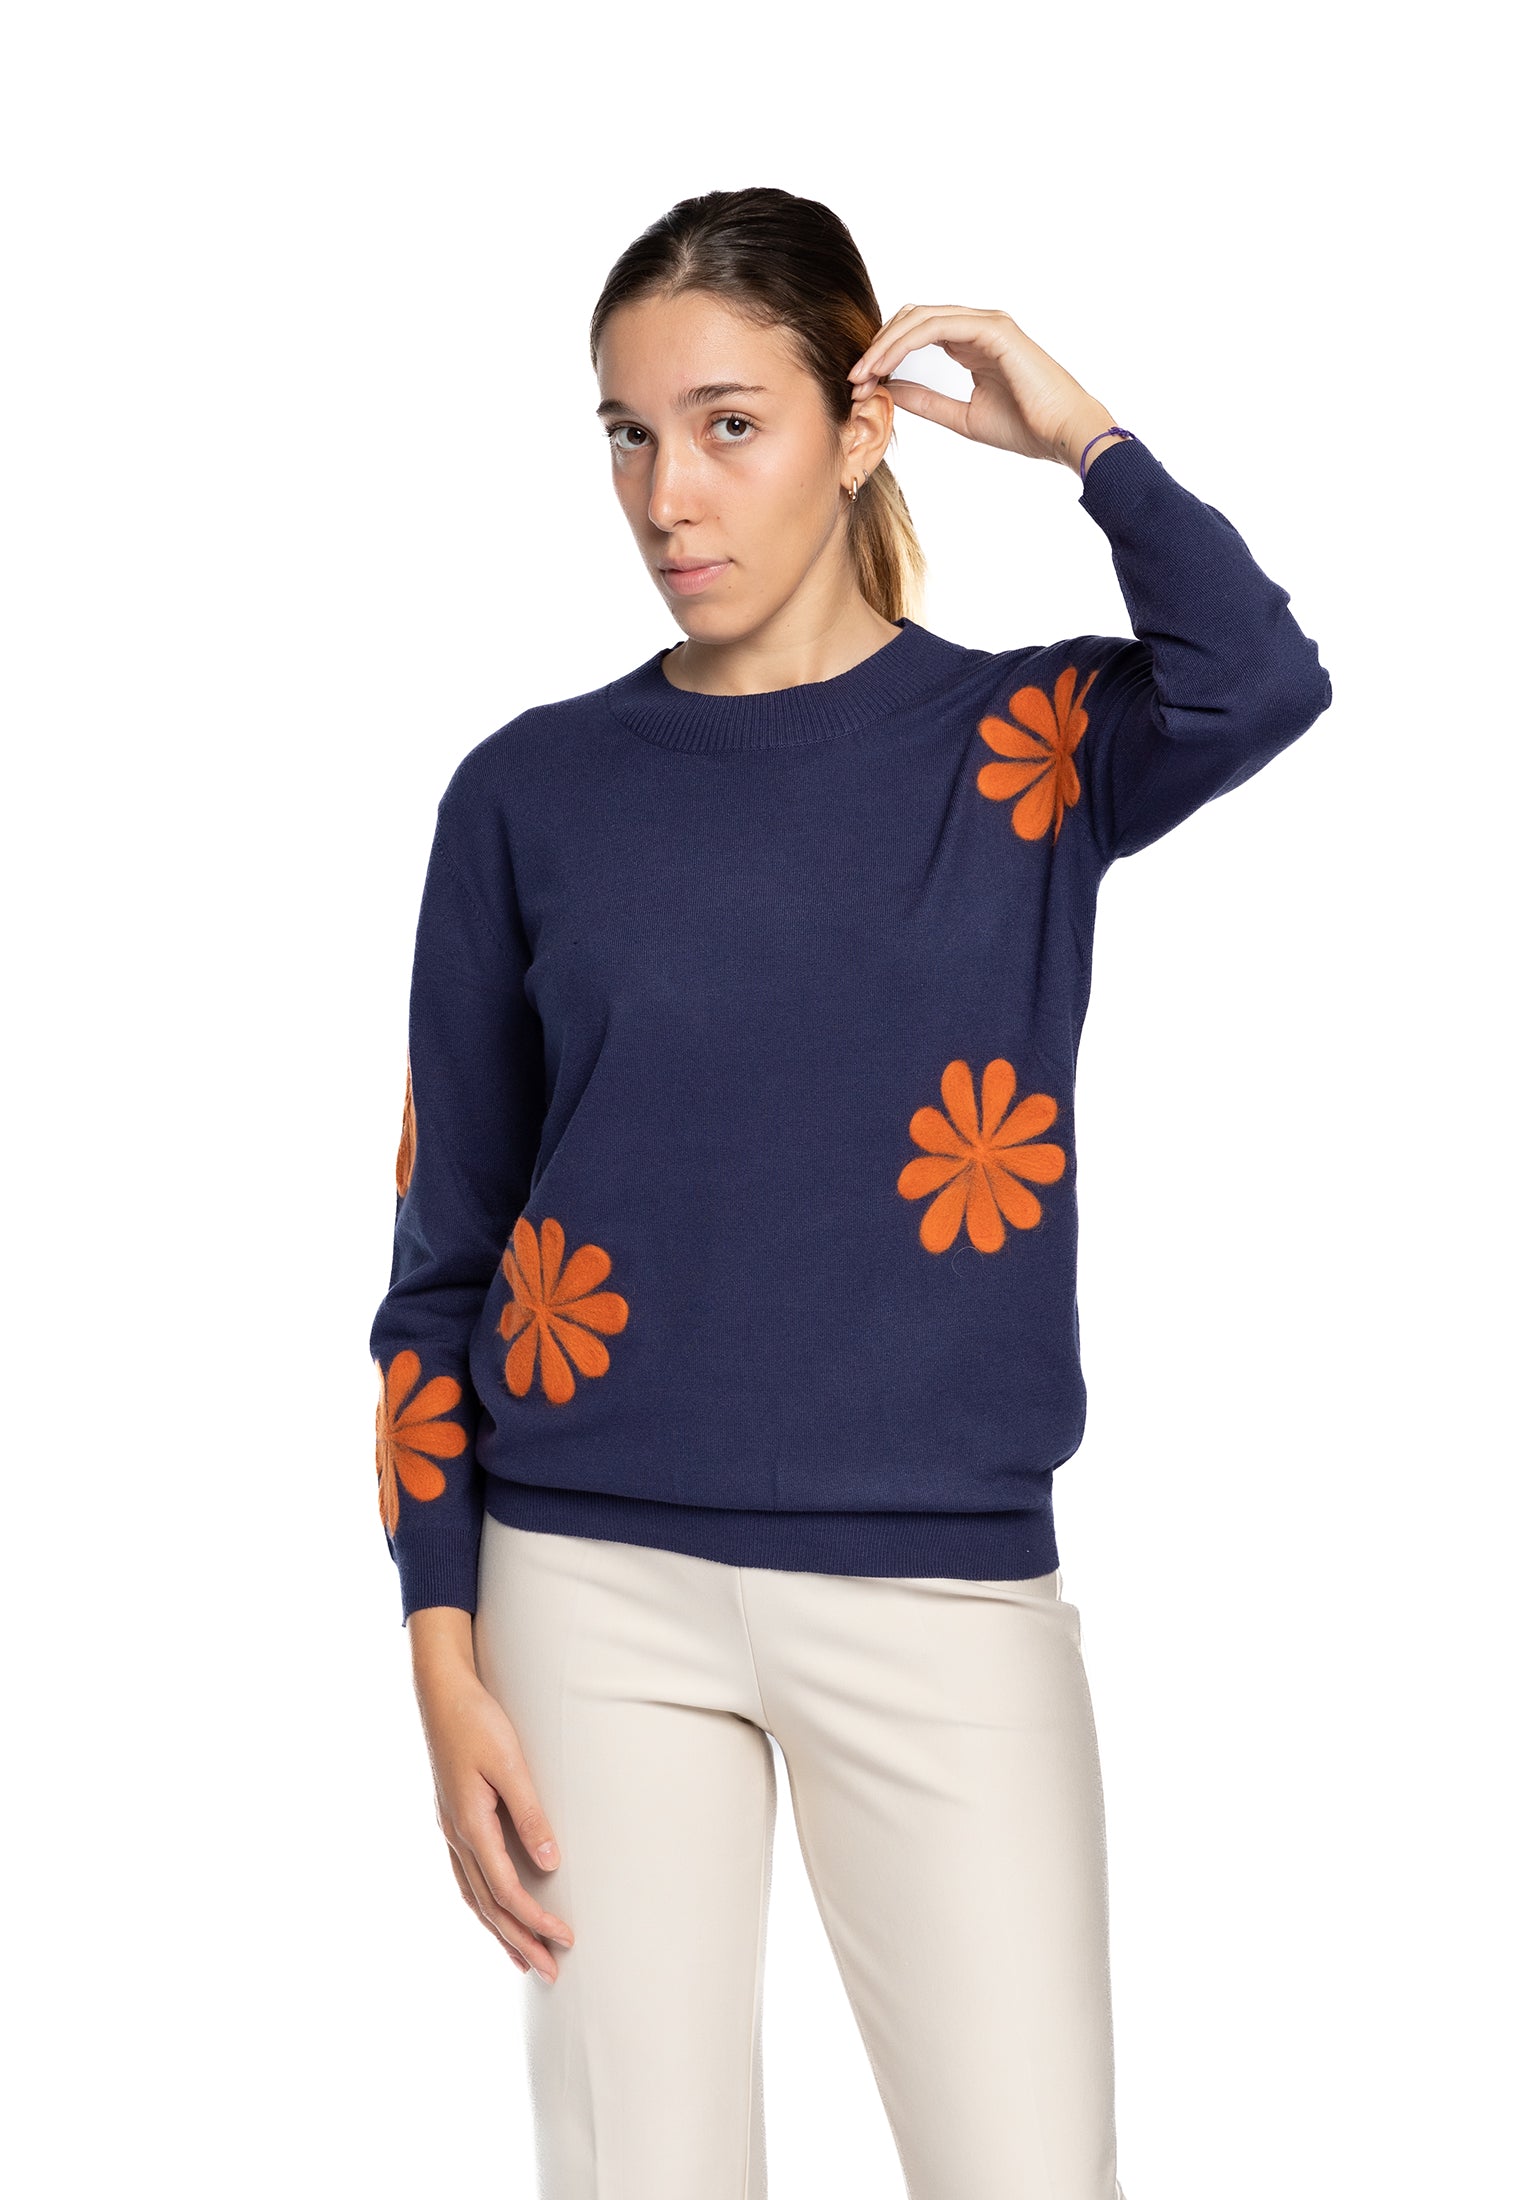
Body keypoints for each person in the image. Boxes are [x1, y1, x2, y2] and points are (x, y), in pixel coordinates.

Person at [369, 184, 1332, 2200]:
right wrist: (443, 1642)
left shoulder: (1025, 745)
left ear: (861, 427)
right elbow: (446, 1253)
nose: (668, 493)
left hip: (938, 1582)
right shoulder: (529, 793)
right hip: (585, 1585)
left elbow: (1257, 680)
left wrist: (1083, 438)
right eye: (630, 434)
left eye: (731, 424)